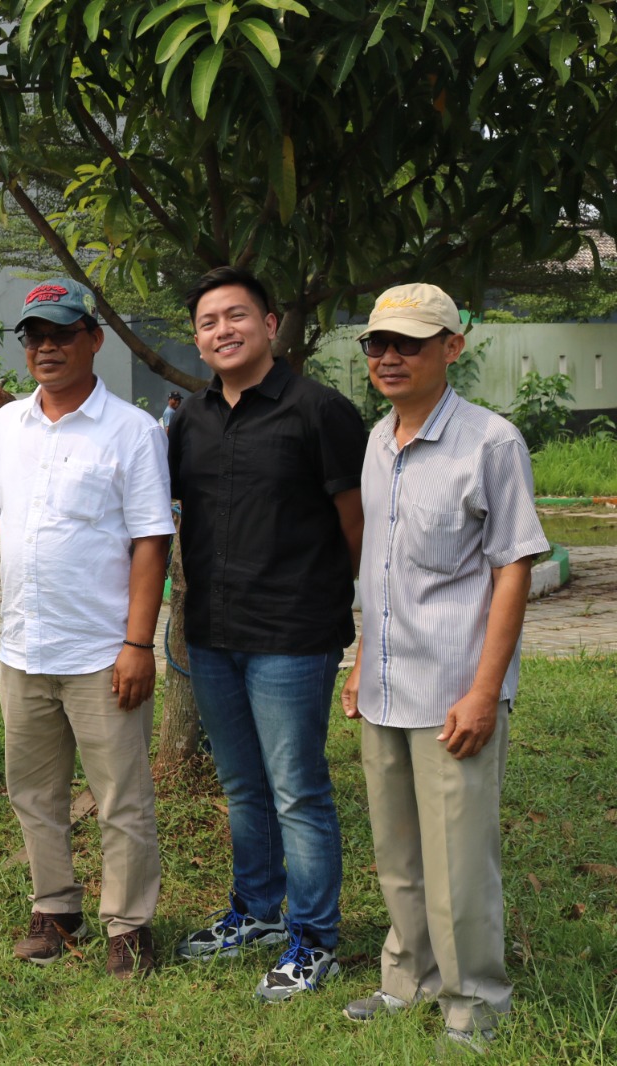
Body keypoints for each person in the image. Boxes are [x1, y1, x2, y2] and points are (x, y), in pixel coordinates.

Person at [0, 278, 172, 979]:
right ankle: (54, 908)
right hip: (24, 649)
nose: (46, 347)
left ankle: (129, 925)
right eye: (34, 336)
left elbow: (151, 541)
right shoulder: (10, 427)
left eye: (61, 333)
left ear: (93, 340)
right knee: (34, 792)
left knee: (121, 798)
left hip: (103, 652)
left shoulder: (132, 432)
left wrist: (138, 643)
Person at [341, 284, 546, 1054]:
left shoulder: (490, 443)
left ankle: (476, 1001)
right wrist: (362, 662)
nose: (389, 357)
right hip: (388, 683)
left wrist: (486, 691)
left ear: (451, 349)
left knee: (459, 860)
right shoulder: (376, 441)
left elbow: (513, 570)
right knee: (397, 852)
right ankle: (410, 978)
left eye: (409, 343)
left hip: (455, 689)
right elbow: (380, 570)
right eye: (377, 344)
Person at [167, 266, 367, 1001]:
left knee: (297, 790)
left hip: (293, 635)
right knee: (243, 785)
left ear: (271, 323)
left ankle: (314, 940)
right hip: (213, 635)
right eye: (207, 322)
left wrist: (347, 607)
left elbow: (356, 524)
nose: (221, 330)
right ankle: (254, 912)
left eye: (236, 316)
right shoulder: (189, 419)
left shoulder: (320, 411)